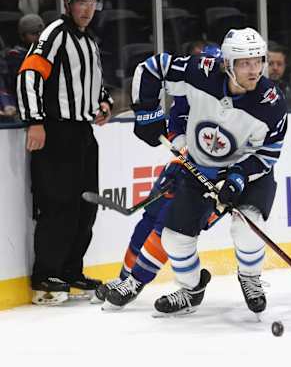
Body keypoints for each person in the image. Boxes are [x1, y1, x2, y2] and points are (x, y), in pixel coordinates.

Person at [128, 27, 288, 316]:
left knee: (247, 227)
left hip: (249, 174)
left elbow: (269, 152)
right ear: (227, 64)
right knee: (174, 240)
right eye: (245, 63)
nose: (254, 70)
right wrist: (147, 113)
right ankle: (191, 289)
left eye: (258, 61)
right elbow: (152, 69)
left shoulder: (271, 104)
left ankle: (250, 278)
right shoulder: (200, 72)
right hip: (200, 169)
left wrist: (238, 177)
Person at [93, 45, 225, 310]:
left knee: (170, 225)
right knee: (151, 216)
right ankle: (125, 278)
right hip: (186, 166)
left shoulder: (231, 103)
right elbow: (176, 126)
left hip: (220, 178)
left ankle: (150, 283)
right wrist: (183, 150)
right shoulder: (191, 92)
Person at [16, 0, 113, 305]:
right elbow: (29, 74)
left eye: (92, 3)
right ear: (68, 4)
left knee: (86, 205)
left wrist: (104, 102)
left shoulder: (89, 40)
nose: (87, 9)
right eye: (81, 3)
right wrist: (35, 120)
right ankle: (46, 276)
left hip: (83, 132)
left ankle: (70, 271)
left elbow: (95, 80)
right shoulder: (55, 33)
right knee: (59, 204)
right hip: (58, 132)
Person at [5, 13, 45, 111]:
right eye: (34, 34)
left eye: (41, 33)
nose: (39, 37)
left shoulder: (46, 52)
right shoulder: (15, 56)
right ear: (23, 36)